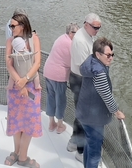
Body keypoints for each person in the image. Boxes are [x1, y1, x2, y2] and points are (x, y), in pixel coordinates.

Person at [76, 37, 125, 168]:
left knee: (88, 145)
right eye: (108, 55)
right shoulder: (99, 73)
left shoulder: (90, 62)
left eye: (112, 55)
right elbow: (107, 96)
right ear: (98, 54)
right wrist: (117, 111)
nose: (111, 58)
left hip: (84, 113)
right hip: (94, 119)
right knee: (95, 154)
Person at [4, 13, 42, 168]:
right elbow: (8, 64)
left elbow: (37, 63)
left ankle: (21, 155)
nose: (11, 28)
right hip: (15, 88)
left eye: (13, 26)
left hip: (30, 85)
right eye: (10, 26)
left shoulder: (34, 40)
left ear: (23, 26)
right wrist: (20, 83)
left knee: (29, 122)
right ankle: (18, 153)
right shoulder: (9, 41)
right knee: (17, 121)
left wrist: (25, 80)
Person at [68, 13, 102, 162]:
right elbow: (85, 68)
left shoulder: (88, 35)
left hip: (80, 79)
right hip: (80, 80)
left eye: (99, 28)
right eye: (95, 27)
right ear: (86, 24)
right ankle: (80, 153)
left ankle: (73, 142)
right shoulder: (81, 41)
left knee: (80, 113)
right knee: (85, 116)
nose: (97, 30)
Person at [44, 23, 79, 134]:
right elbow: (74, 63)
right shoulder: (70, 44)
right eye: (76, 33)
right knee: (60, 100)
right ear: (70, 33)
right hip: (58, 76)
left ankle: (51, 123)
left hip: (48, 71)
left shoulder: (61, 38)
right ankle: (59, 125)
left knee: (51, 97)